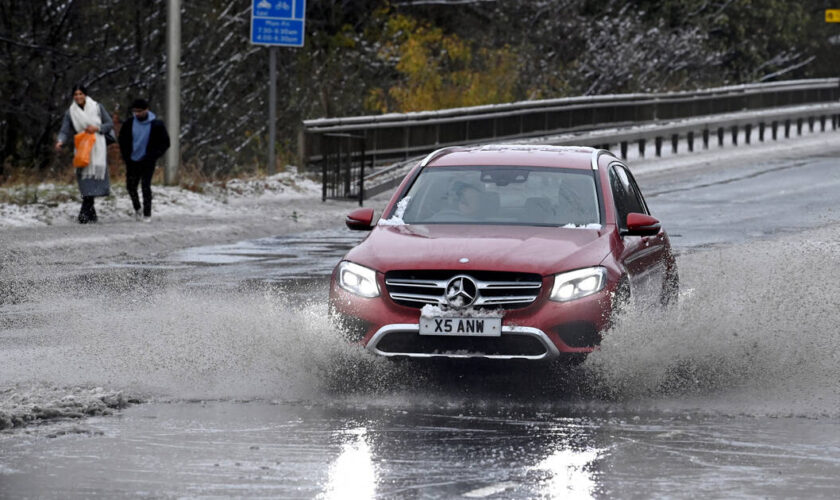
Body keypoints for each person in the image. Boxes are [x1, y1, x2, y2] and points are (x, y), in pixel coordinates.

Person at [55, 84, 115, 224]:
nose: (78, 97)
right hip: (82, 146)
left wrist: (97, 128)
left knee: (94, 179)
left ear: (85, 95)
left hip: (97, 146)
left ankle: (85, 213)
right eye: (75, 94)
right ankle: (90, 212)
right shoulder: (71, 112)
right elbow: (65, 130)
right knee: (84, 179)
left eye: (80, 94)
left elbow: (109, 123)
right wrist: (60, 141)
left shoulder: (97, 107)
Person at [118, 98, 170, 222]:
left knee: (145, 185)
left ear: (147, 110)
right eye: (135, 111)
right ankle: (137, 209)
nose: (137, 114)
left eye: (140, 111)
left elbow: (165, 143)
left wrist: (153, 155)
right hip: (132, 160)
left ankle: (147, 213)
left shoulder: (156, 125)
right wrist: (126, 156)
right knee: (131, 186)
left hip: (148, 160)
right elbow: (122, 140)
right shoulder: (129, 123)